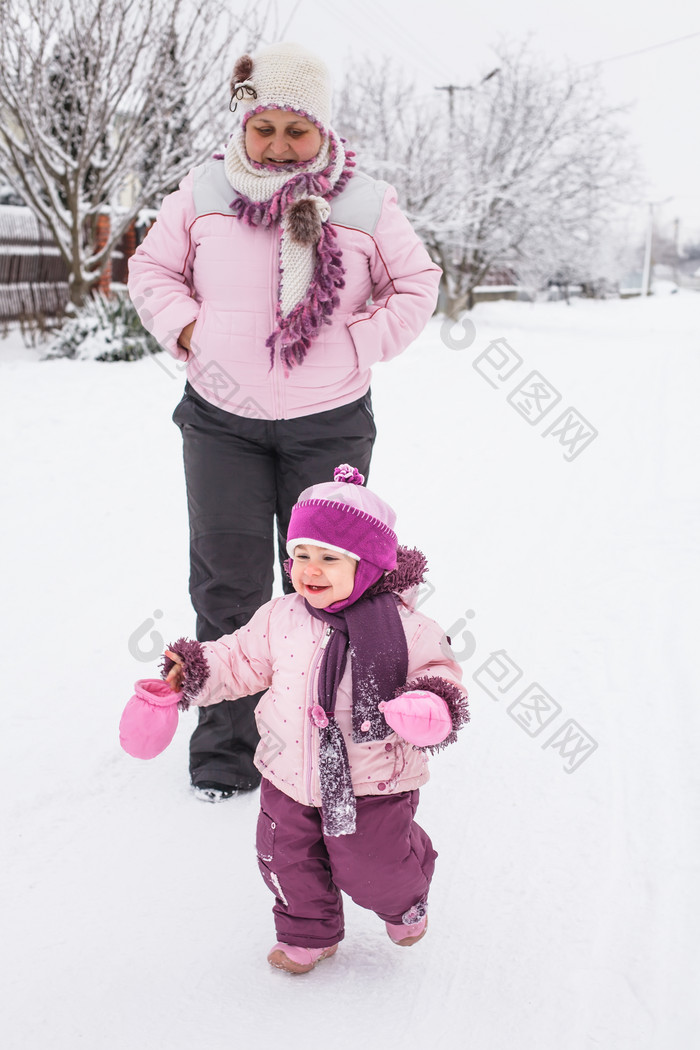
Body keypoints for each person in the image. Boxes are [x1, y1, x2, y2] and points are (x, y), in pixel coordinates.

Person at [127, 42, 442, 803]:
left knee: (333, 587)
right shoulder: (202, 187)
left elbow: (417, 284)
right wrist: (193, 334)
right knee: (228, 584)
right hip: (221, 420)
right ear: (245, 118)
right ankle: (228, 752)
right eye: (262, 126)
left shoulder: (365, 200)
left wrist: (354, 342)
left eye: (293, 131)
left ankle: (338, 731)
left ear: (321, 129)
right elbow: (152, 270)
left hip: (328, 421)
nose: (275, 145)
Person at [160, 465, 469, 973]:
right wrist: (193, 671)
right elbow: (238, 659)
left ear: (368, 565)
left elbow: (441, 672)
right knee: (286, 860)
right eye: (301, 555)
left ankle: (405, 897)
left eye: (329, 557)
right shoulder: (281, 616)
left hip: (372, 780)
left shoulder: (407, 626)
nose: (311, 570)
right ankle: (309, 932)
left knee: (373, 866)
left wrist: (431, 705)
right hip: (288, 772)